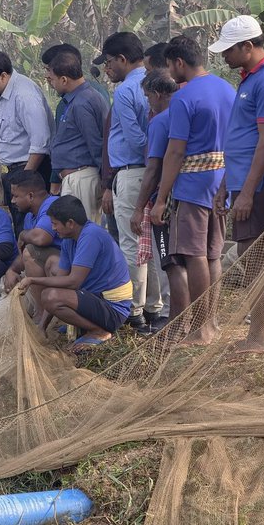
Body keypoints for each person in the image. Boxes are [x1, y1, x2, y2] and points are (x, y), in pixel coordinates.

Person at [209, 15, 264, 353]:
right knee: (247, 252)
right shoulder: (250, 79)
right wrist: (228, 184)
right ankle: (256, 334)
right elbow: (241, 140)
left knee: (255, 256)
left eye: (228, 50)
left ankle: (259, 337)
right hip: (243, 183)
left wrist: (247, 192)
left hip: (261, 186)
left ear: (247, 46)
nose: (224, 56)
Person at [149, 35, 235, 345]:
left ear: (179, 62)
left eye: (170, 66)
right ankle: (210, 322)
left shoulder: (184, 98)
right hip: (221, 182)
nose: (171, 73)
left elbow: (174, 152)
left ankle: (201, 329)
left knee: (194, 254)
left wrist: (160, 200)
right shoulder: (227, 89)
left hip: (192, 184)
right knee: (213, 254)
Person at [95, 31, 162, 333]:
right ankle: (154, 307)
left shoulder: (124, 91)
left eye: (109, 62)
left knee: (132, 243)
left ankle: (132, 309)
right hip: (149, 170)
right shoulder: (152, 82)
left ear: (122, 59)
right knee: (148, 244)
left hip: (133, 170)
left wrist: (151, 155)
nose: (107, 68)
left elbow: (135, 137)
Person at [17, 195, 132, 349]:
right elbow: (62, 280)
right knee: (52, 273)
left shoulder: (91, 235)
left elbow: (73, 282)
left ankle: (98, 331)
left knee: (50, 296)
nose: (53, 228)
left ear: (70, 223)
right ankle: (83, 325)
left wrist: (32, 280)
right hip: (95, 299)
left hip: (113, 309)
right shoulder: (68, 240)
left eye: (55, 224)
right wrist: (42, 328)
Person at [0, 51, 53, 237]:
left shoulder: (24, 95)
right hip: (16, 170)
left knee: (31, 227)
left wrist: (26, 178)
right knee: (20, 226)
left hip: (32, 169)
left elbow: (40, 141)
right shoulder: (1, 91)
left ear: (3, 76)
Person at [132, 69, 181, 331]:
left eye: (148, 95)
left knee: (167, 259)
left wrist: (140, 208)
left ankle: (172, 314)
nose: (147, 101)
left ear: (159, 93)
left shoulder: (161, 121)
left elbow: (153, 167)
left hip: (166, 198)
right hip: (190, 194)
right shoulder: (188, 112)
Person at [45, 50, 108, 222]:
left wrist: (106, 182)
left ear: (64, 79)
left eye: (52, 80)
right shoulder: (75, 99)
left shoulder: (82, 102)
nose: (51, 84)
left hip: (83, 178)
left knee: (84, 229)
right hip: (76, 177)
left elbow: (96, 144)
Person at [1, 170, 63, 322]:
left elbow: (42, 239)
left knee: (31, 251)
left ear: (30, 196)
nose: (13, 201)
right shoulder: (29, 216)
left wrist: (22, 234)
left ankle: (42, 314)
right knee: (5, 286)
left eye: (15, 196)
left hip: (66, 268)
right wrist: (12, 270)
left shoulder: (52, 204)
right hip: (48, 269)